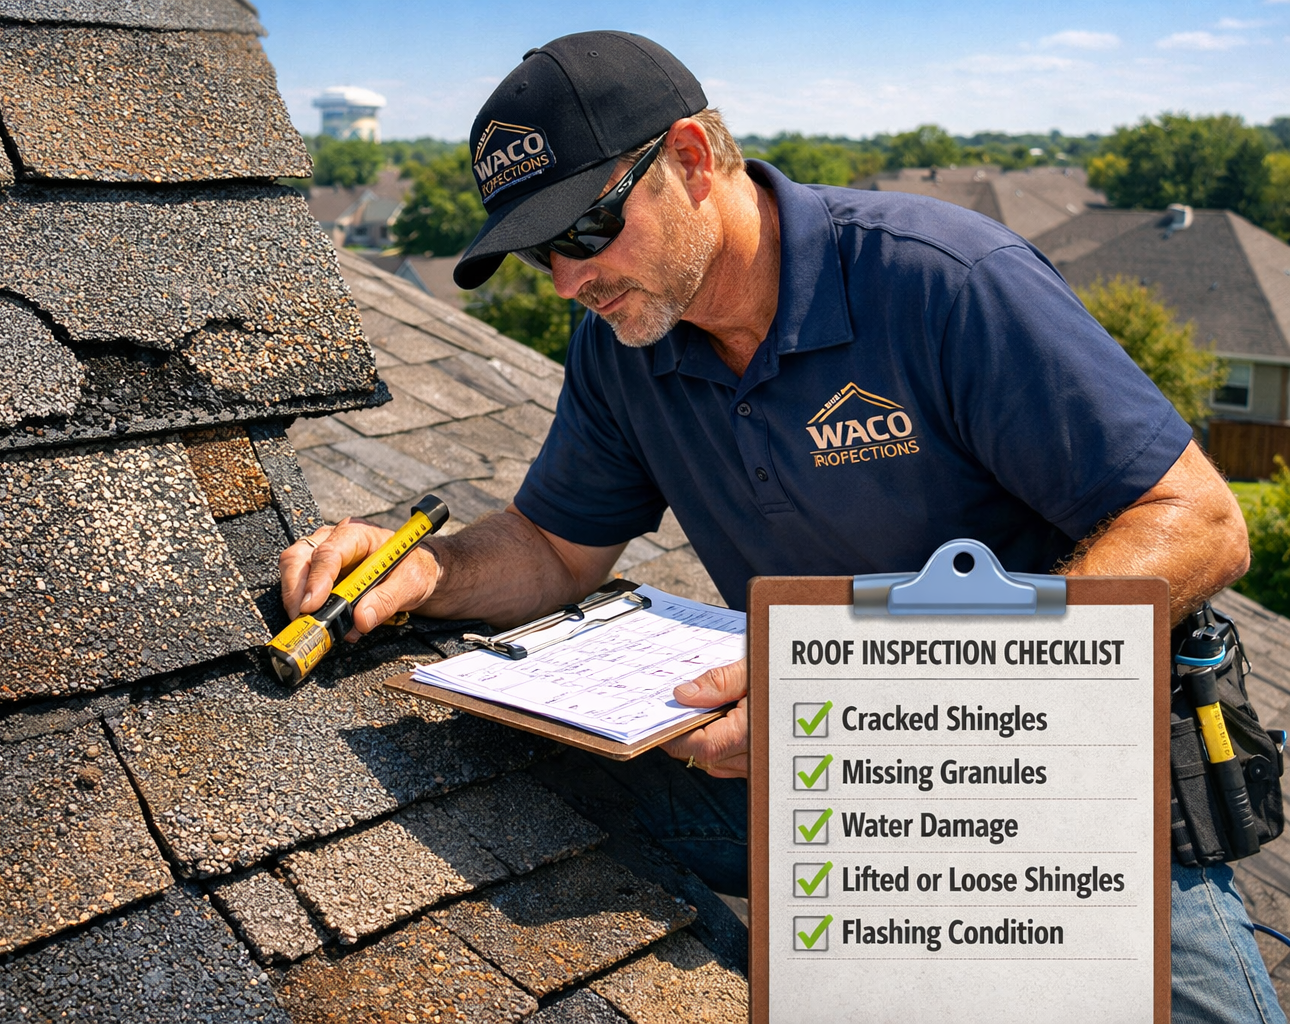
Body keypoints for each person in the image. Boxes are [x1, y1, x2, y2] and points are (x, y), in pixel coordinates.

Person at [280, 30, 1278, 1024]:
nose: (565, 282)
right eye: (539, 252)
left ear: (692, 158)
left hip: (1053, 781)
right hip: (824, 780)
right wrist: (425, 571)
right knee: (501, 767)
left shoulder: (937, 280)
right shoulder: (626, 349)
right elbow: (550, 545)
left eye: (583, 232)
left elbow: (1197, 522)